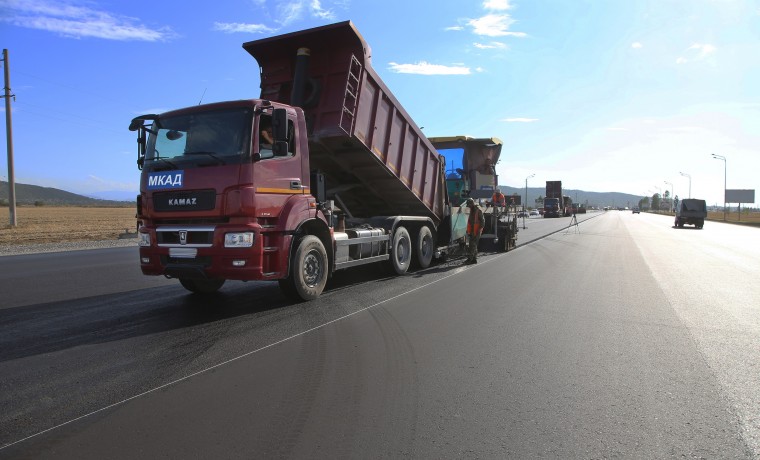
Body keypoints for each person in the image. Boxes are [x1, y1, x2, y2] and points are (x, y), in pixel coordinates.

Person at [464, 197, 484, 264]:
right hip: (472, 230)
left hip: (477, 230)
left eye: (469, 205)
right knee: (472, 244)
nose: (468, 206)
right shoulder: (471, 210)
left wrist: (479, 229)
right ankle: (474, 259)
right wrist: (469, 231)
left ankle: (470, 259)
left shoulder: (478, 210)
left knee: (472, 244)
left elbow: (482, 221)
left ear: (472, 203)